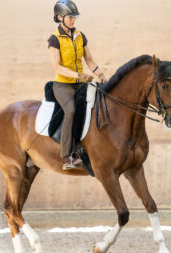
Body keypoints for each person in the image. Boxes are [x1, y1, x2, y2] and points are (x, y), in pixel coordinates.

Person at [49, 0, 107, 170]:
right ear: (60, 17)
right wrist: (78, 75)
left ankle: (88, 147)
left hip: (80, 84)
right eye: (70, 17)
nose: (73, 20)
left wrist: (100, 73)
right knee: (71, 110)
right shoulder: (54, 39)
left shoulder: (80, 36)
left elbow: (88, 59)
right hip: (62, 85)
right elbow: (57, 67)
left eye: (75, 17)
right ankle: (67, 156)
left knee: (97, 104)